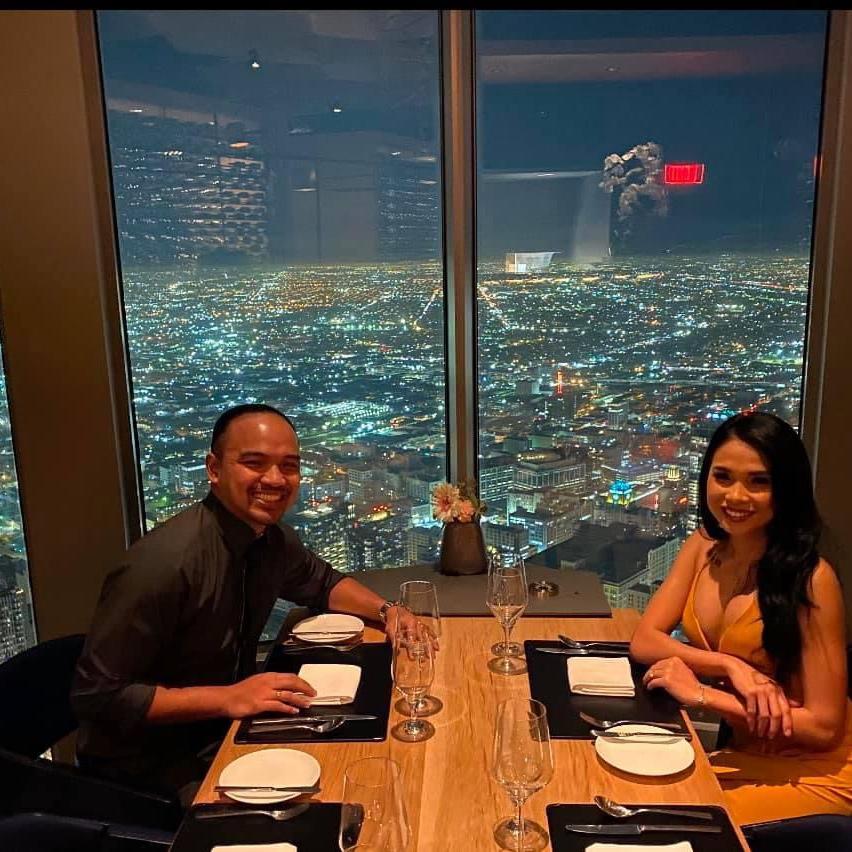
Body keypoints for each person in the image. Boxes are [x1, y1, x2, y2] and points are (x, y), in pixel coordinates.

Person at [71, 403, 415, 801]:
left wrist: (389, 611)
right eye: (254, 463)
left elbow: (322, 582)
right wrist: (230, 697)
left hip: (225, 729)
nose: (275, 479)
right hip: (151, 765)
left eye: (289, 466)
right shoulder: (165, 564)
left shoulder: (269, 539)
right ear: (214, 469)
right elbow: (97, 696)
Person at [630, 411, 852, 825]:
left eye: (758, 482)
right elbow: (645, 640)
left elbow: (824, 728)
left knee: (668, 820)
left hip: (821, 772)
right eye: (723, 477)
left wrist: (703, 695)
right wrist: (731, 666)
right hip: (747, 755)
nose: (735, 496)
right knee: (632, 794)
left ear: (786, 489)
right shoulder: (703, 545)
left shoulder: (812, 578)